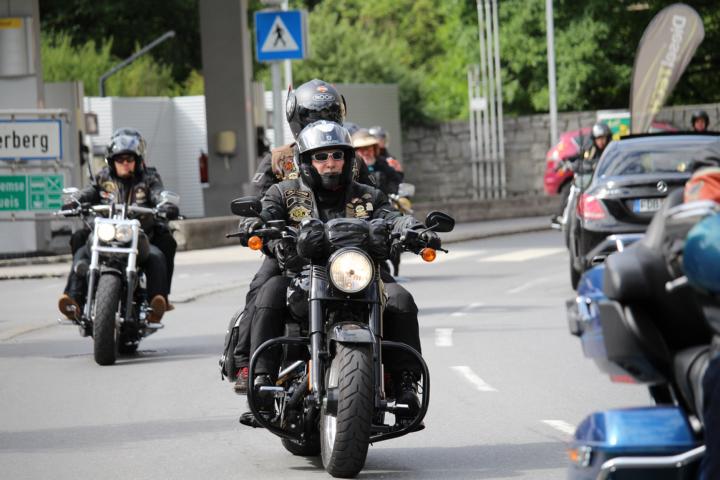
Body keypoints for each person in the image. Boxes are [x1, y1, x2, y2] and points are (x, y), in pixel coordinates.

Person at [244, 120, 438, 424]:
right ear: (306, 161)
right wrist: (258, 227)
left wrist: (414, 229)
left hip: (361, 275)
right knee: (269, 291)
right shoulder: (283, 192)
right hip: (303, 274)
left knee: (401, 299)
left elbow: (393, 217)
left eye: (337, 155)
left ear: (348, 160)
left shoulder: (368, 196)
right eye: (321, 157)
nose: (330, 163)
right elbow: (266, 216)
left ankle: (406, 385)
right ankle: (261, 382)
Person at [227, 79, 374, 394]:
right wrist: (258, 226)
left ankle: (394, 374)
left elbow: (372, 199)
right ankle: (247, 363)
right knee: (263, 288)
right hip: (292, 249)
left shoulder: (351, 158)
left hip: (346, 252)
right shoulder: (279, 159)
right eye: (314, 118)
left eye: (330, 116)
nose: (330, 162)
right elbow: (259, 202)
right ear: (297, 120)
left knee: (393, 293)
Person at [58, 129, 178, 323]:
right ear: (111, 161)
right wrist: (75, 201)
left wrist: (165, 205)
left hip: (139, 234)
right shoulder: (102, 178)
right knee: (81, 244)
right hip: (105, 233)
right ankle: (73, 300)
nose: (125, 163)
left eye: (129, 159)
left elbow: (158, 193)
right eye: (120, 159)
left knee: (157, 253)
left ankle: (158, 300)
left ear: (137, 160)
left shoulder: (149, 178)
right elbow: (88, 192)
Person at [352, 128, 402, 195]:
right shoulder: (351, 169)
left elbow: (395, 180)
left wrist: (390, 193)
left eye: (368, 148)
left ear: (374, 149)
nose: (366, 153)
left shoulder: (383, 163)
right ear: (355, 152)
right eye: (361, 150)